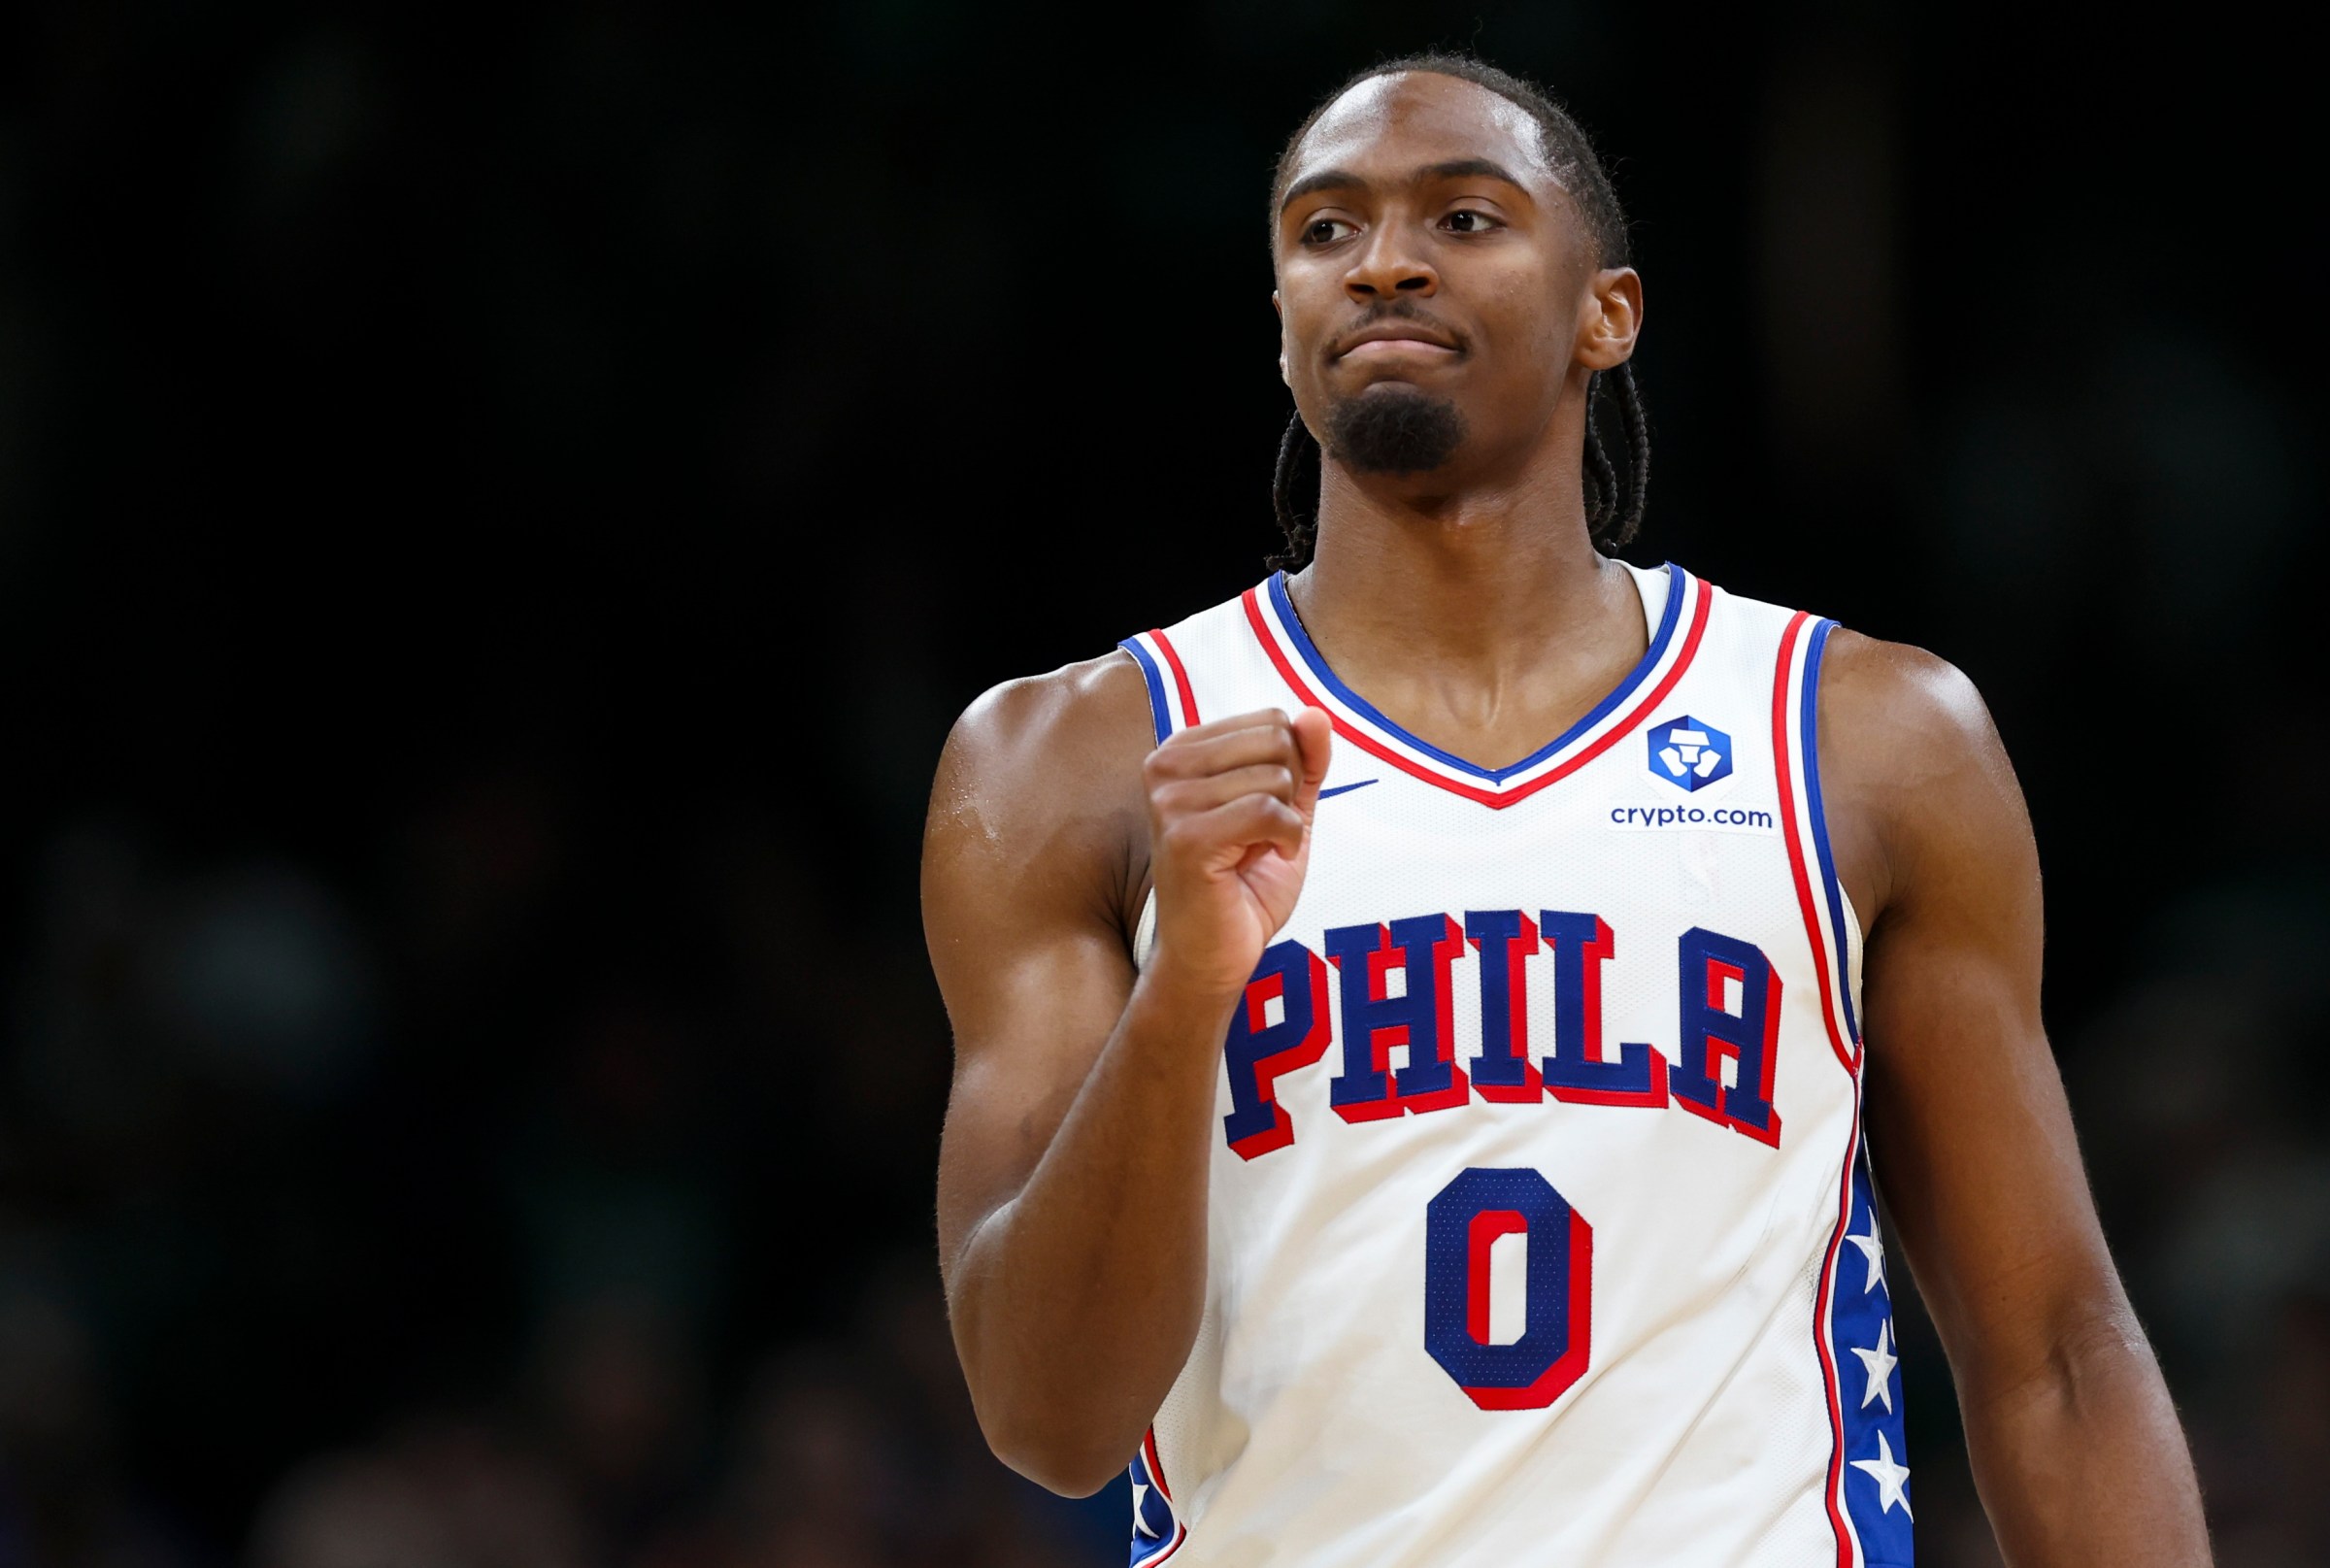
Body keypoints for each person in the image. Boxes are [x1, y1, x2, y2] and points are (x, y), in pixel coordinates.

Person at [920, 53, 2211, 1567]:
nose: (1383, 259)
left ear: (1610, 311)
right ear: (1280, 327)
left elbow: (2055, 1354)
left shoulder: (1860, 737)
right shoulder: (1072, 761)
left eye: (1464, 218)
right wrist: (1189, 991)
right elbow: (1044, 1419)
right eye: (1323, 231)